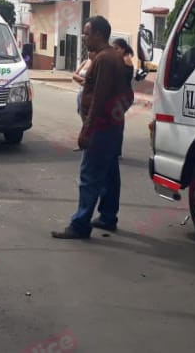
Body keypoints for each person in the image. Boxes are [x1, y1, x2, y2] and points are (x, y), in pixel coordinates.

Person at [52, 16, 132, 239]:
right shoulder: (116, 57)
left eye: (86, 33)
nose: (84, 37)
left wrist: (87, 129)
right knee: (109, 173)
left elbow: (99, 97)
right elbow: (128, 96)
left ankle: (80, 224)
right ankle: (107, 217)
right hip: (112, 128)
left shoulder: (104, 60)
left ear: (98, 34)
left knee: (89, 176)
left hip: (100, 129)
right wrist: (116, 117)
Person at [112, 38, 135, 158]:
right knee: (116, 121)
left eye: (117, 49)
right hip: (123, 95)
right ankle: (115, 150)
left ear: (123, 48)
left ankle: (116, 151)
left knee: (117, 122)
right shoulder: (121, 59)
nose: (115, 51)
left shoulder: (125, 60)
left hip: (124, 95)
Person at [72, 50, 96, 123]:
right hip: (81, 92)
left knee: (89, 117)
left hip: (90, 94)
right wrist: (84, 81)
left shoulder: (97, 64)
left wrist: (86, 82)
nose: (89, 52)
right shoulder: (85, 62)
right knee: (82, 114)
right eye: (88, 51)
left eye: (91, 51)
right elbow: (74, 75)